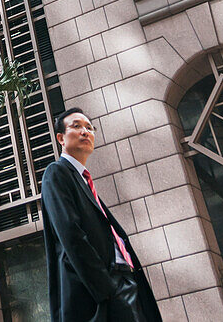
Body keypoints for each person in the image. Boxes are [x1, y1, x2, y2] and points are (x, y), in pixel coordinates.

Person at [40, 107, 162, 322]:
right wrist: (106, 291)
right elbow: (71, 234)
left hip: (126, 280)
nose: (85, 132)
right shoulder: (56, 173)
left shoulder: (85, 183)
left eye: (89, 127)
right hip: (105, 288)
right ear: (61, 137)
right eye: (76, 126)